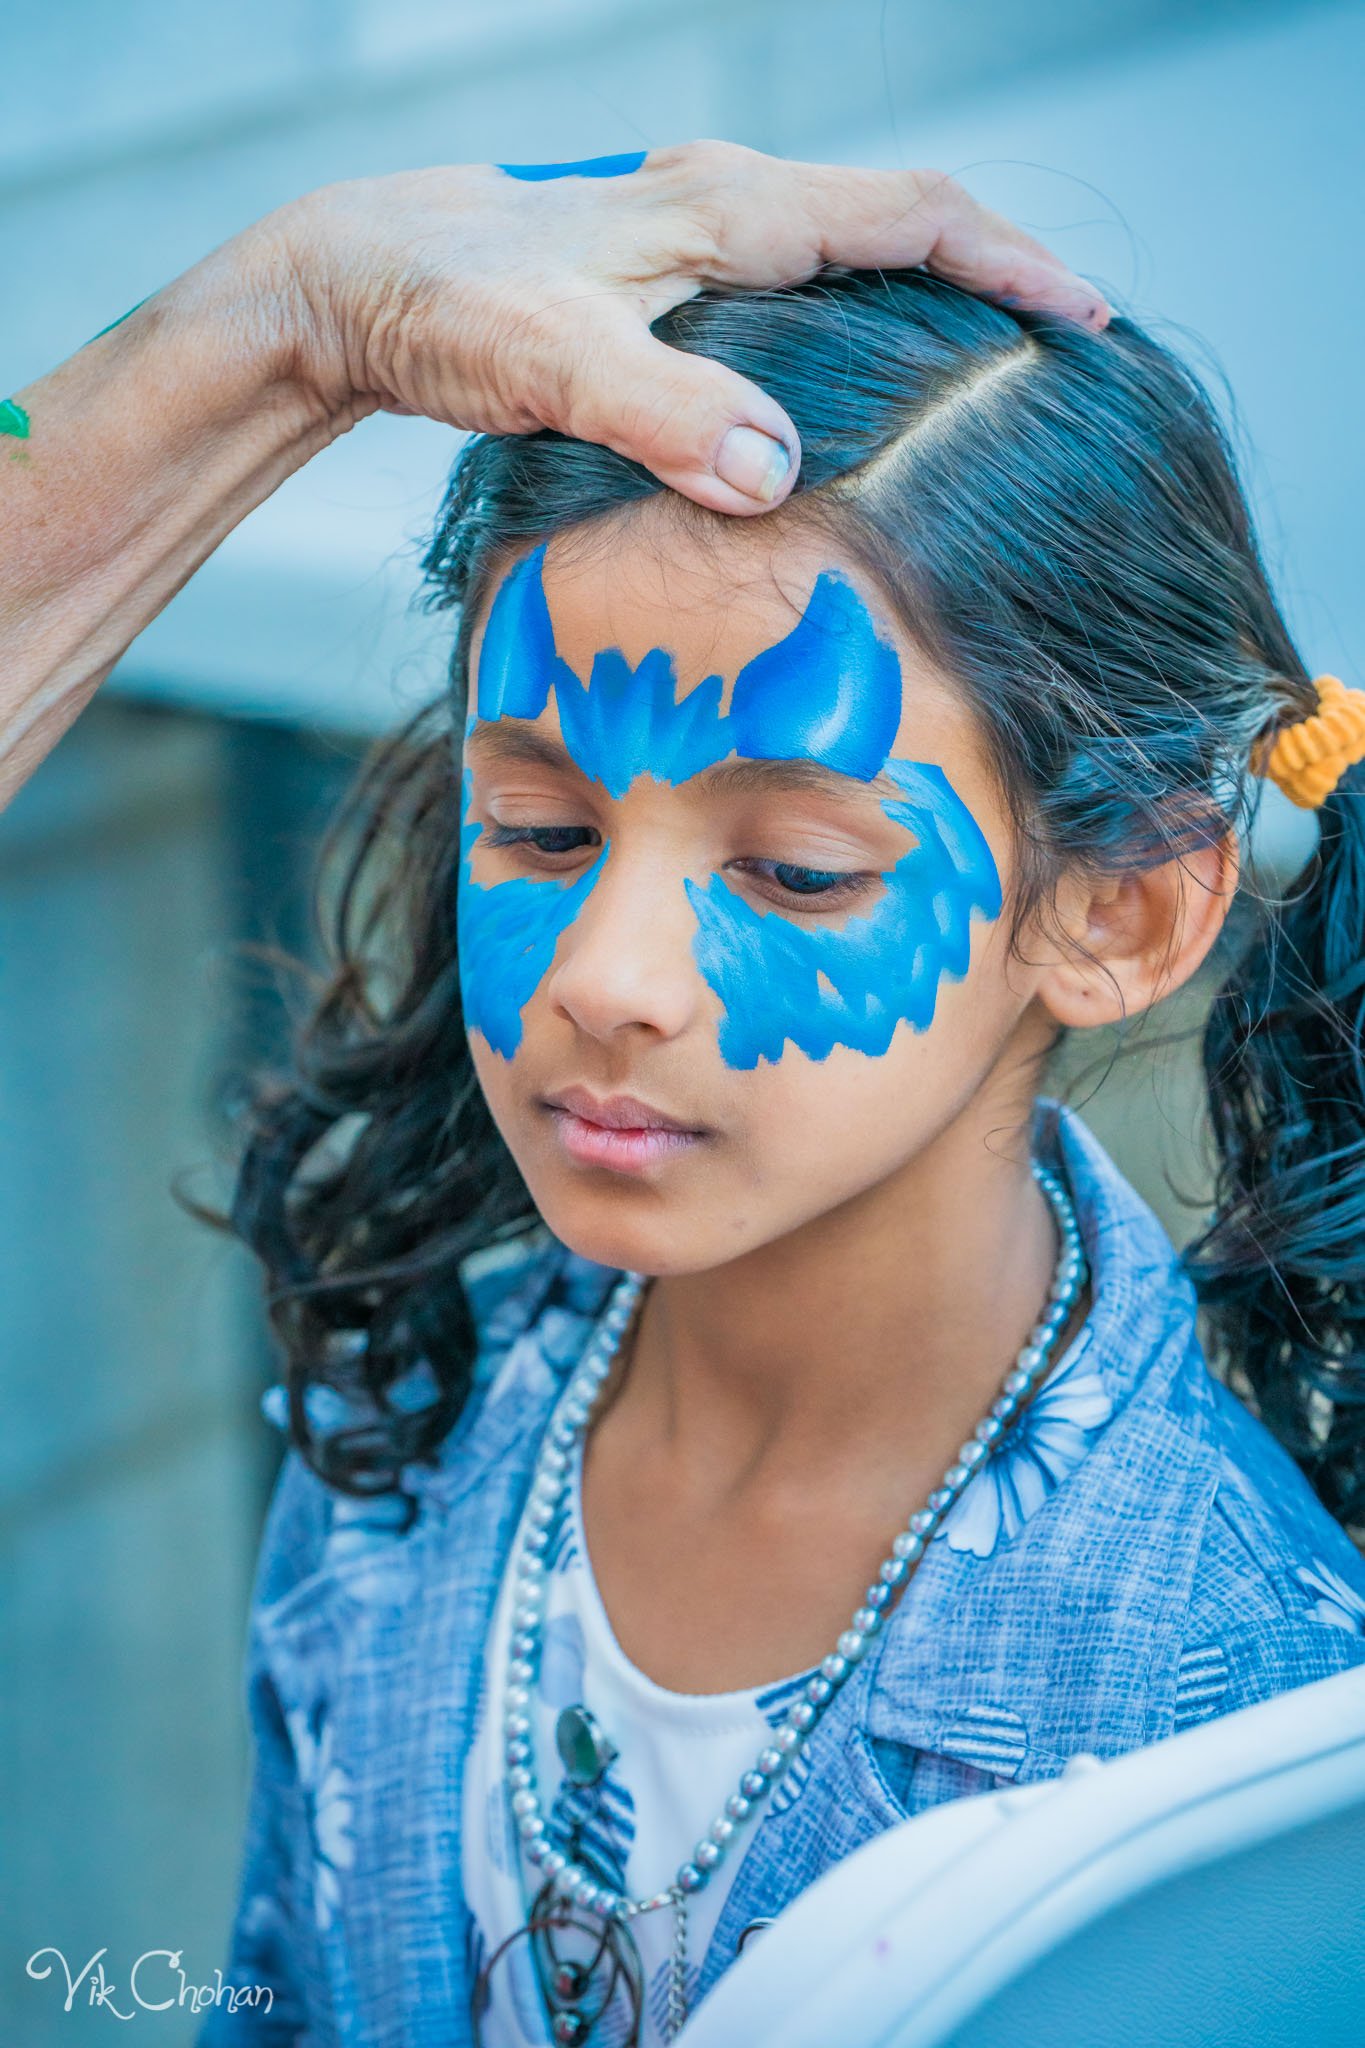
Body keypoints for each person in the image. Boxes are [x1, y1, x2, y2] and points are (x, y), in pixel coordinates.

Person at [5, 151, 1363, 2048]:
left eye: (800, 872)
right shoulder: (407, 1398)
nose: (605, 980)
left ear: (1121, 907)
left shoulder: (1217, 1722)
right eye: (541, 828)